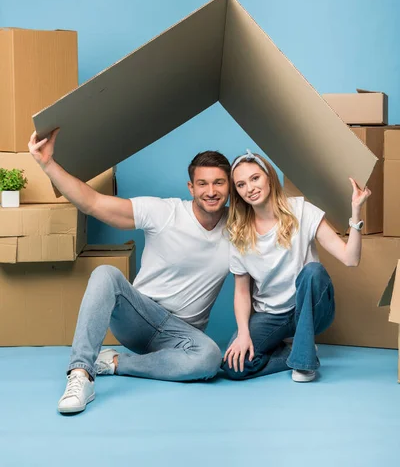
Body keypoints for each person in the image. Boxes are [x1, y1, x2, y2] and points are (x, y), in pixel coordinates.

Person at [28, 130, 231, 414]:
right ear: (191, 187)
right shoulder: (165, 212)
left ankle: (113, 363)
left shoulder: (240, 229)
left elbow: (278, 231)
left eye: (219, 182)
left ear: (230, 186)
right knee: (106, 274)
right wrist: (47, 163)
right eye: (203, 183)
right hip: (140, 318)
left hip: (183, 336)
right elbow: (92, 203)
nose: (211, 191)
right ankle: (81, 375)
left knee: (210, 358)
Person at [221, 150, 371, 383]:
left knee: (313, 272)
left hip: (311, 307)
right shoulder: (239, 232)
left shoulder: (302, 211)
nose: (249, 188)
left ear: (268, 177)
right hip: (271, 315)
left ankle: (304, 361)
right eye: (241, 184)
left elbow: (350, 259)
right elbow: (241, 291)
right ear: (237, 192)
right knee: (234, 367)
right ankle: (296, 351)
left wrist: (356, 212)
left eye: (255, 178)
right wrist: (243, 334)